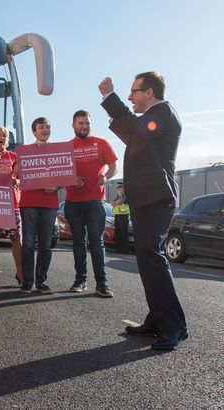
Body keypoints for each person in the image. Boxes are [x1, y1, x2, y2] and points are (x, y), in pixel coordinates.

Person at [99, 71, 187, 350]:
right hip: (146, 198)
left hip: (156, 198)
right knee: (148, 259)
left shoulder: (163, 113)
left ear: (149, 92)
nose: (129, 96)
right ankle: (157, 319)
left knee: (152, 258)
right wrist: (116, 112)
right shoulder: (152, 119)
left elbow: (137, 128)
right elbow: (132, 134)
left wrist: (109, 97)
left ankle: (174, 326)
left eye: (134, 91)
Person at [65, 110, 118, 297]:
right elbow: (60, 172)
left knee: (97, 242)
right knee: (79, 242)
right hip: (73, 202)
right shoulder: (67, 147)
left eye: (87, 123)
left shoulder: (102, 143)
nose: (84, 126)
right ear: (73, 125)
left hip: (96, 202)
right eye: (80, 123)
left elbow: (113, 166)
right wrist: (70, 179)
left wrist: (106, 176)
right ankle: (80, 281)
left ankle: (102, 284)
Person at [19, 117, 60, 294]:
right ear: (34, 132)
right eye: (41, 127)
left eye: (48, 126)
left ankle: (41, 281)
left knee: (46, 245)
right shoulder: (25, 151)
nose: (45, 129)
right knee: (28, 244)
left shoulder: (59, 152)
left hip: (50, 204)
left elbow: (65, 174)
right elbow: (17, 173)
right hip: (29, 203)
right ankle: (27, 281)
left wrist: (57, 186)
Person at [0, 126, 23, 286]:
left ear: (7, 140)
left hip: (12, 204)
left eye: (3, 135)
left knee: (16, 239)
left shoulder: (15, 156)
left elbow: (21, 177)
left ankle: (21, 274)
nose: (0, 137)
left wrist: (17, 181)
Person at [112, 182, 131, 254]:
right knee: (118, 233)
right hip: (117, 216)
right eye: (118, 188)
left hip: (124, 216)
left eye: (120, 187)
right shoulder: (118, 195)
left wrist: (116, 203)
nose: (118, 189)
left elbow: (121, 201)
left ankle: (125, 250)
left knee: (124, 234)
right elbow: (112, 203)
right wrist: (117, 202)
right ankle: (118, 249)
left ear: (123, 188)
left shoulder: (126, 195)